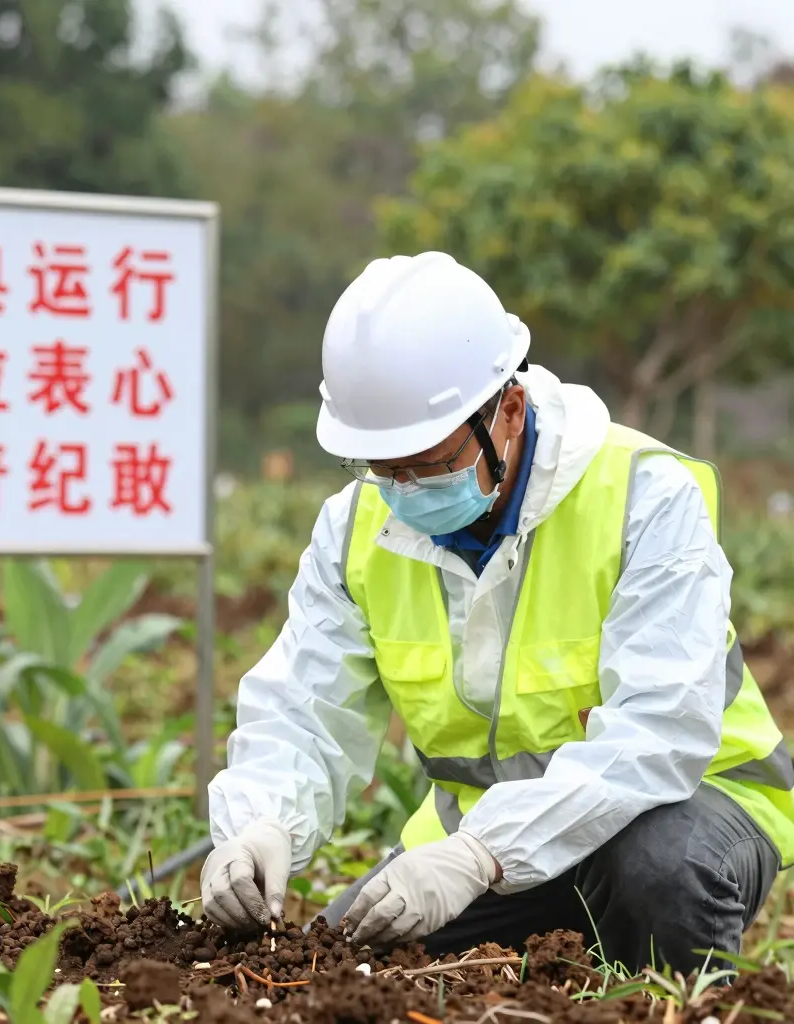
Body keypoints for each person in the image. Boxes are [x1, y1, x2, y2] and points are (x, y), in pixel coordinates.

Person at [198, 251, 794, 974]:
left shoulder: (645, 495)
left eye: (427, 463)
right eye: (382, 468)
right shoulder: (355, 528)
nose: (404, 491)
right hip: (483, 842)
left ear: (508, 411)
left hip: (683, 805)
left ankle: (685, 1007)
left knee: (660, 868)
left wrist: (482, 854)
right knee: (343, 962)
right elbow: (306, 707)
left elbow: (657, 732)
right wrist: (262, 823)